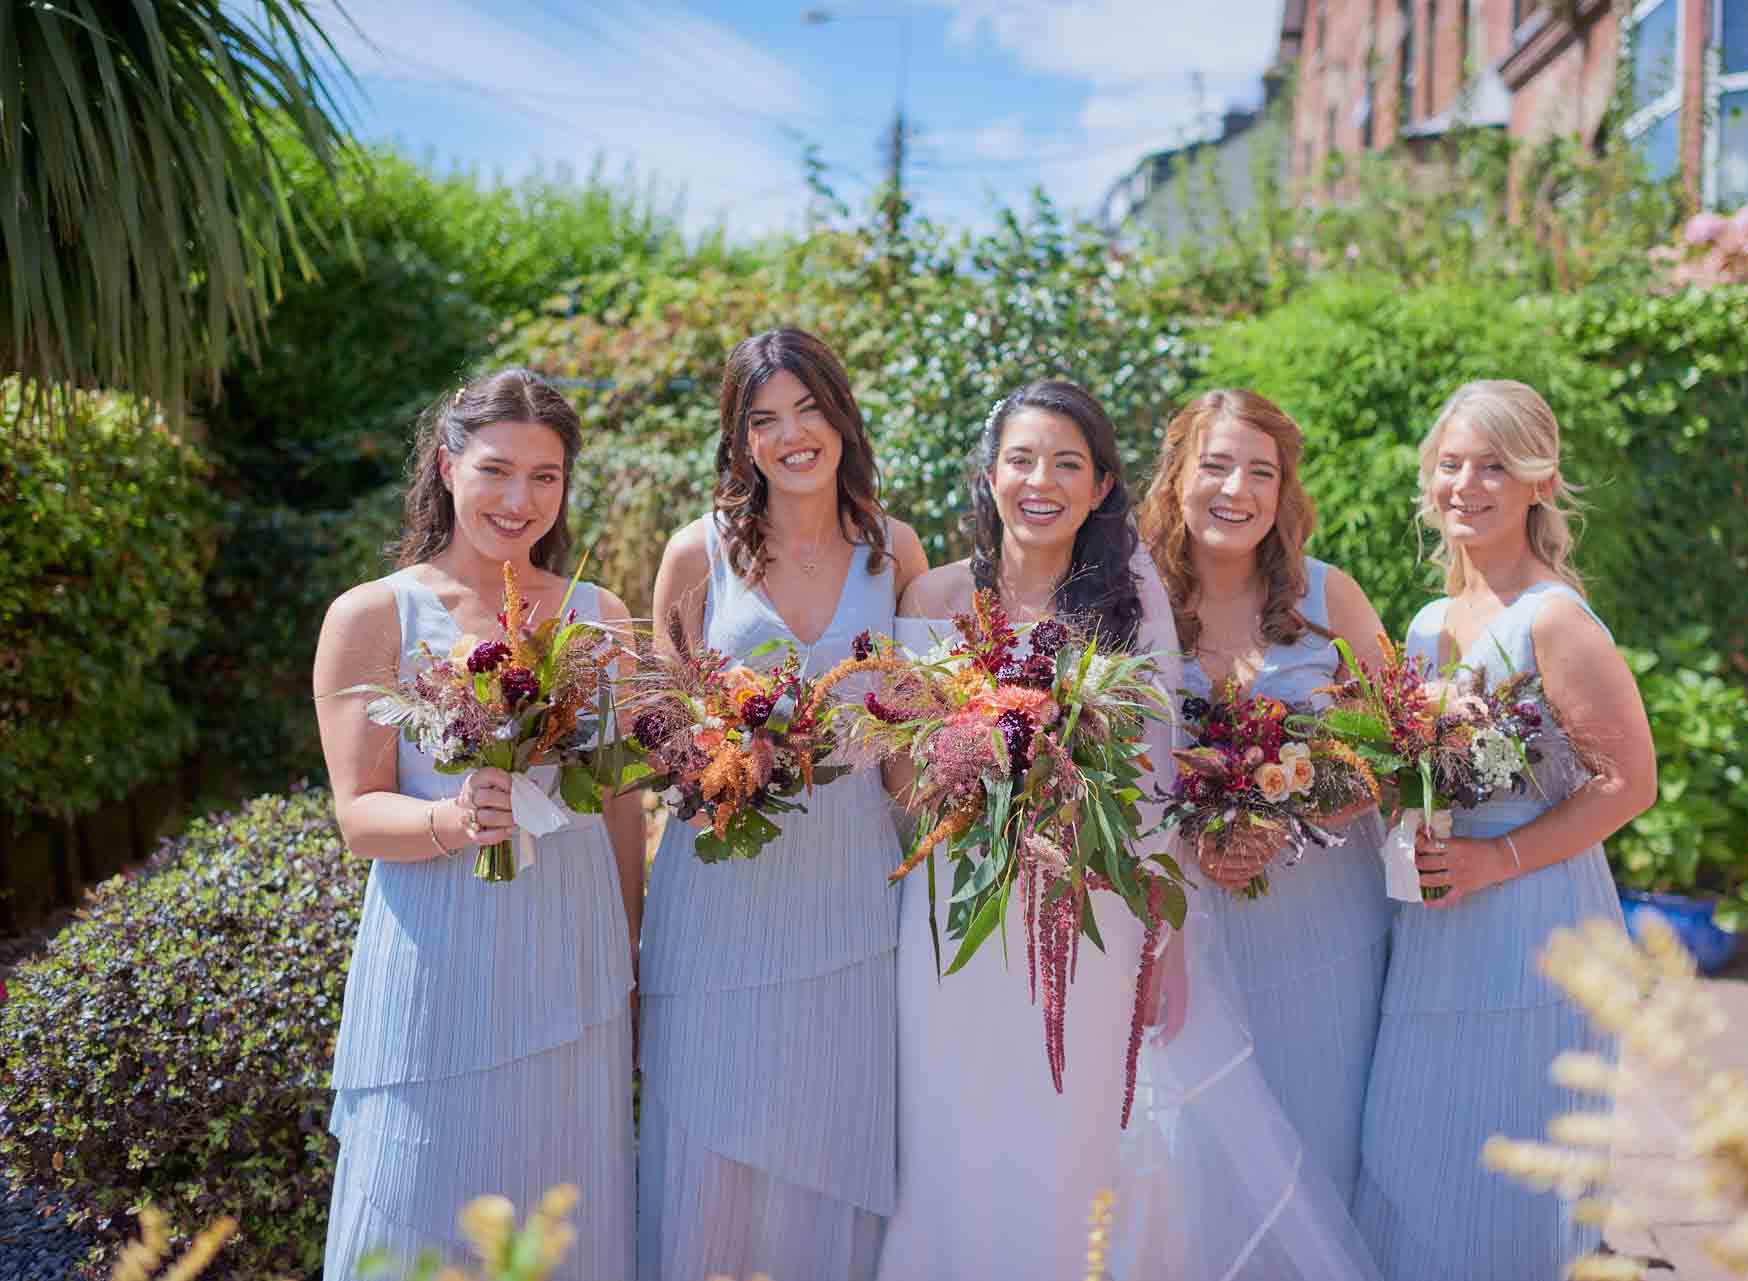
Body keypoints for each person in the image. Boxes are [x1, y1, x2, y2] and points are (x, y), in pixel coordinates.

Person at [877, 381, 1380, 1281]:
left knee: (1075, 1140)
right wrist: (979, 748)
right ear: (989, 475)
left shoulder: (1131, 602)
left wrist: (1169, 934)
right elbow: (900, 779)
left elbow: (1153, 778)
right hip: (956, 903)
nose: (1042, 479)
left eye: (1068, 462)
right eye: (1022, 459)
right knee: (950, 1127)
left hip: (1092, 914)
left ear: (1105, 483)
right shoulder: (932, 594)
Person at [312, 368, 644, 1281]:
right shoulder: (374, 615)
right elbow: (358, 813)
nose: (519, 498)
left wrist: (629, 954)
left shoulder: (600, 619)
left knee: (563, 1207)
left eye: (546, 476)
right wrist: (453, 817)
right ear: (448, 464)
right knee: (425, 1206)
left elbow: (621, 803)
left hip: (571, 954)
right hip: (439, 954)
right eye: (498, 469)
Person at [636, 328, 928, 1281]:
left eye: (808, 409)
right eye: (765, 420)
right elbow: (661, 733)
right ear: (741, 441)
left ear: (841, 415)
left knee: (834, 1130)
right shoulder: (698, 554)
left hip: (850, 882)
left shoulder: (897, 554)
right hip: (722, 882)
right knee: (712, 1145)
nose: (792, 435)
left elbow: (908, 744)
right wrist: (728, 753)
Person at [1354, 380, 1657, 1281]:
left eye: (1493, 464)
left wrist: (1499, 856)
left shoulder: (1553, 618)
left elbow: (1629, 783)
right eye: (1450, 464)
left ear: (1539, 480)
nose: (1466, 484)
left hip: (1535, 925)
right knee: (1409, 1154)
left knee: (1511, 1181)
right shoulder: (1425, 623)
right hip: (1433, 924)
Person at [1138, 388, 1394, 1206]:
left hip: (1326, 923)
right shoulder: (1129, 601)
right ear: (1178, 476)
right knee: (1200, 1163)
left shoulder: (1329, 597)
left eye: (1262, 472)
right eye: (1215, 465)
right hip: (1187, 925)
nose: (1236, 490)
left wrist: (1302, 811)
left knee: (1321, 1140)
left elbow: (1402, 748)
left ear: (1284, 494)